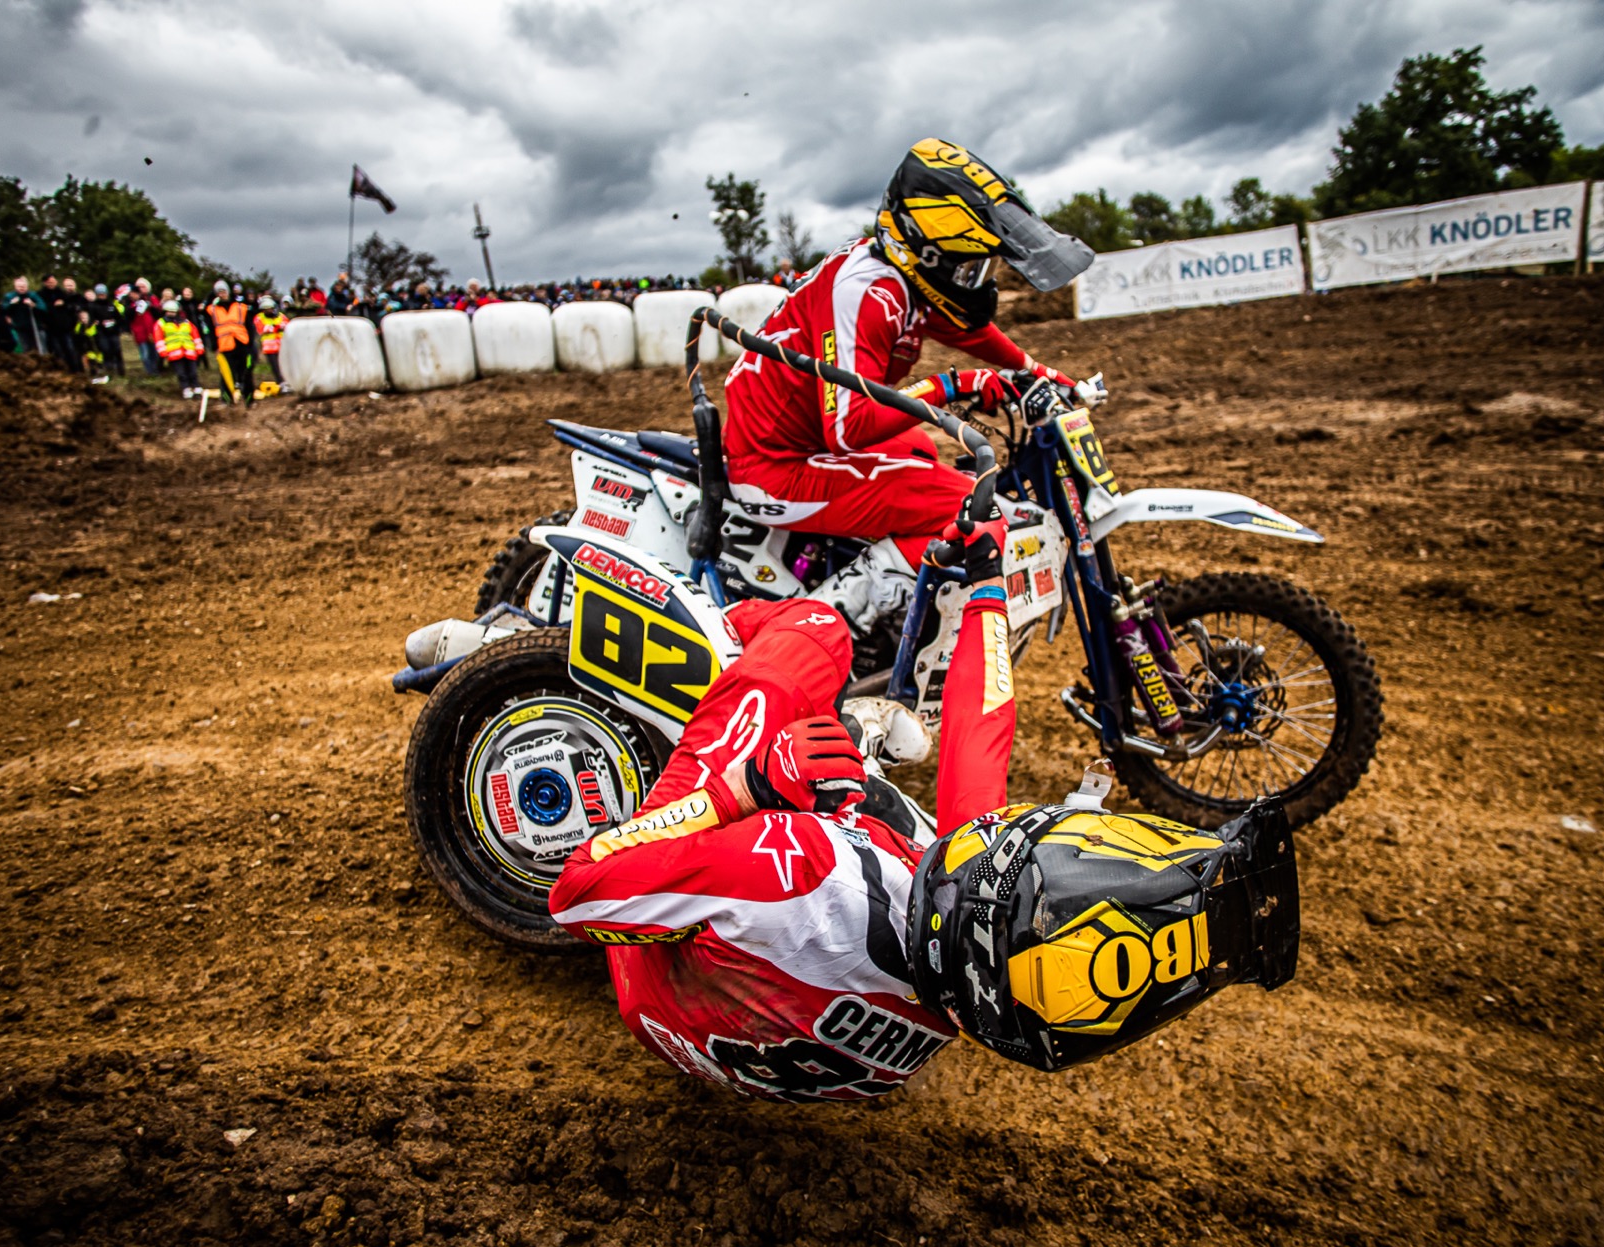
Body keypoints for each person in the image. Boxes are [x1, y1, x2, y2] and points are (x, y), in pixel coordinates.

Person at [547, 521, 1296, 1101]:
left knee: (815, 633)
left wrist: (743, 789)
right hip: (768, 1027)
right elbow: (980, 737)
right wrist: (987, 588)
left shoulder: (792, 863)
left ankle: (717, 629)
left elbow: (577, 896)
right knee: (880, 799)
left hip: (656, 976)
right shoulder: (985, 993)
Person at [721, 138, 1094, 636]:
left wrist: (1033, 369)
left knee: (921, 449)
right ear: (928, 252)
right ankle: (824, 624)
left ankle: (878, 583)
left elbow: (965, 329)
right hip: (775, 468)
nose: (974, 281)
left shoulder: (902, 277)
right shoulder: (869, 293)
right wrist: (951, 385)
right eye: (967, 268)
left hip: (797, 444)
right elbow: (849, 427)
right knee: (973, 509)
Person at [203, 280, 252, 404]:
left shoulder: (241, 307)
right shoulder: (212, 310)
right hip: (224, 345)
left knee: (246, 373)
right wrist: (214, 346)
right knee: (226, 374)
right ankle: (226, 400)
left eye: (224, 291)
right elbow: (210, 329)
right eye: (219, 292)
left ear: (228, 292)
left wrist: (250, 344)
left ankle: (249, 399)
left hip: (241, 342)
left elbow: (249, 326)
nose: (222, 294)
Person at [153, 298, 203, 397]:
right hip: (174, 352)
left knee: (193, 371)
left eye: (173, 311)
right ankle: (186, 388)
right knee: (181, 373)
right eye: (169, 311)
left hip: (189, 350)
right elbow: (158, 339)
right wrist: (163, 352)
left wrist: (199, 348)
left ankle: (196, 386)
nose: (171, 313)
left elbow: (195, 335)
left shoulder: (186, 321)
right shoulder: (161, 323)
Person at [2, 276, 46, 354]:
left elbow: (43, 307)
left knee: (40, 348)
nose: (21, 288)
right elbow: (4, 309)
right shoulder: (9, 296)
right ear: (15, 287)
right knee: (26, 349)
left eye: (23, 286)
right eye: (19, 286)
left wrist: (33, 304)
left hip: (35, 326)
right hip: (20, 328)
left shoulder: (33, 295)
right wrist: (11, 304)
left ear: (27, 286)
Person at [252, 294, 287, 386]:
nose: (269, 310)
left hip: (282, 346)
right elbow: (262, 329)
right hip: (269, 348)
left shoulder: (280, 315)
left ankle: (287, 381)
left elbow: (286, 325)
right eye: (266, 309)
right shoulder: (259, 317)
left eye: (270, 308)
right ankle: (281, 382)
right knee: (275, 367)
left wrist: (274, 327)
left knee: (285, 366)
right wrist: (277, 327)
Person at [128, 279, 161, 373]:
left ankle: (156, 370)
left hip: (151, 330)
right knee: (145, 354)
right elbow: (128, 317)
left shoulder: (150, 299)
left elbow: (158, 313)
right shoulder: (130, 304)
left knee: (154, 353)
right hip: (139, 333)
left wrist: (150, 306)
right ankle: (150, 371)